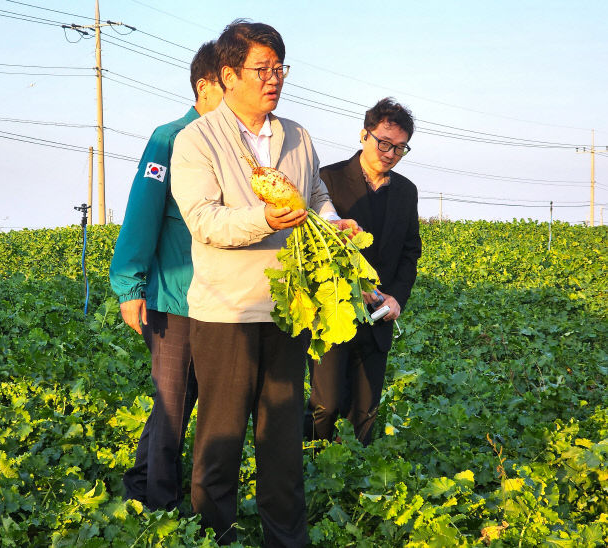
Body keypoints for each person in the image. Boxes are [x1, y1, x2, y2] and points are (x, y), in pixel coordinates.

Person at [170, 19, 358, 547]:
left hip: (286, 309)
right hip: (226, 312)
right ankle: (215, 536)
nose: (274, 78)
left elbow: (315, 193)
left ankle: (286, 539)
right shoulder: (196, 140)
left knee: (281, 441)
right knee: (220, 438)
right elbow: (204, 220)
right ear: (229, 75)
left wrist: (333, 222)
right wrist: (264, 220)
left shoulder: (297, 135)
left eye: (280, 68)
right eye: (262, 69)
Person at [108, 41, 223, 512]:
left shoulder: (234, 143)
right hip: (173, 299)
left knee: (182, 401)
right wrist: (130, 286)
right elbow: (142, 213)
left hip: (220, 300)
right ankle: (161, 510)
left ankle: (139, 482)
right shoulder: (169, 138)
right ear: (206, 86)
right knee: (173, 406)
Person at [305, 97, 422, 447]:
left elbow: (409, 253)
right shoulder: (328, 179)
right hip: (334, 311)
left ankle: (357, 478)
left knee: (366, 409)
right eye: (383, 143)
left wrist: (396, 297)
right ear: (364, 135)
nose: (389, 153)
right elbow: (315, 249)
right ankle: (314, 467)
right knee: (325, 404)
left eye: (399, 148)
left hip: (378, 315)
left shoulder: (405, 192)